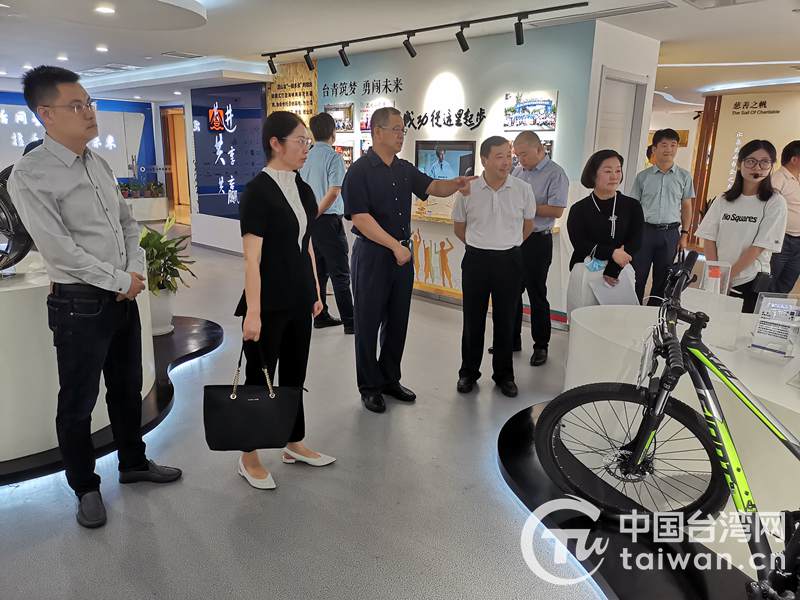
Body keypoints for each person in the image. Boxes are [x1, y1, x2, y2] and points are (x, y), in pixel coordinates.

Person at [8, 66, 181, 529]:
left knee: (127, 388)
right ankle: (85, 487)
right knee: (78, 402)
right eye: (76, 105)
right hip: (79, 305)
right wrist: (119, 279)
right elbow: (59, 250)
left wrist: (134, 271)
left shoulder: (97, 163)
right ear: (45, 114)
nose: (88, 112)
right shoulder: (30, 175)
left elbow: (127, 223)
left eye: (89, 103)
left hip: (122, 297)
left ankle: (133, 462)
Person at [342, 107, 475, 413]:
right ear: (377, 132)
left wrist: (457, 183)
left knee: (397, 321)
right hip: (373, 255)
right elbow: (360, 218)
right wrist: (394, 246)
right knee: (368, 324)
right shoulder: (359, 171)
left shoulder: (404, 169)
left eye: (403, 130)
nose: (401, 135)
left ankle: (390, 379)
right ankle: (369, 387)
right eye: (396, 129)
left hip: (401, 257)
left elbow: (433, 187)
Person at [235, 111, 336, 489]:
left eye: (308, 141)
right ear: (275, 143)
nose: (306, 148)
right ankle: (248, 455)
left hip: (298, 298)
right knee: (258, 379)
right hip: (267, 302)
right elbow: (252, 258)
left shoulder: (303, 188)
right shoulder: (257, 192)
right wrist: (254, 312)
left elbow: (305, 244)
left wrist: (315, 291)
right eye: (300, 141)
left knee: (295, 374)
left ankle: (294, 442)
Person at [452, 136, 535, 397]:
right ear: (484, 159)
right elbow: (459, 226)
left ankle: (504, 375)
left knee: (506, 320)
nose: (506, 162)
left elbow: (528, 225)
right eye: (499, 156)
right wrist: (480, 245)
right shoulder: (468, 189)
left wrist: (507, 244)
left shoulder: (522, 189)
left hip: (509, 260)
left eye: (509, 156)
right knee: (472, 320)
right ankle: (468, 373)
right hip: (476, 260)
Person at [696, 140, 787, 313]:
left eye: (764, 162)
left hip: (749, 279)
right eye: (751, 161)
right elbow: (709, 238)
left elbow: (759, 246)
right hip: (718, 278)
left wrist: (729, 276)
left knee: (740, 324)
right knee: (712, 321)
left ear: (771, 166)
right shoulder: (723, 200)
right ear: (739, 164)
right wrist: (716, 276)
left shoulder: (775, 202)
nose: (757, 167)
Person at [502, 130, 569, 367]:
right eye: (517, 155)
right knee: (511, 291)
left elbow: (556, 210)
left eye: (524, 154)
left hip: (538, 241)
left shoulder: (556, 173)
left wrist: (525, 206)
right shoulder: (518, 172)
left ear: (539, 149)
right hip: (515, 238)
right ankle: (512, 340)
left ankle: (541, 345)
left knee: (536, 294)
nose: (520, 160)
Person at [566, 150, 644, 317]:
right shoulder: (579, 209)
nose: (614, 176)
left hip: (620, 272)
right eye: (608, 171)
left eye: (618, 170)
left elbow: (636, 241)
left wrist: (613, 269)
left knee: (618, 322)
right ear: (593, 174)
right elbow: (580, 244)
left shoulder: (632, 206)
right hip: (585, 270)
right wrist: (612, 252)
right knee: (584, 320)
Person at [298, 112, 354, 334]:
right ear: (333, 132)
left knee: (319, 272)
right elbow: (333, 192)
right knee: (340, 274)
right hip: (328, 221)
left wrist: (310, 215)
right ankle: (351, 322)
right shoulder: (333, 157)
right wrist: (316, 213)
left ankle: (320, 316)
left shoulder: (306, 156)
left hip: (311, 223)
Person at [630, 128, 695, 304]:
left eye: (673, 145)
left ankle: (654, 313)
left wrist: (685, 234)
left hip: (670, 233)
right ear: (654, 148)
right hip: (644, 231)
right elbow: (633, 208)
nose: (669, 149)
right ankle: (633, 310)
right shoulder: (642, 177)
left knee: (663, 278)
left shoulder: (684, 176)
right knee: (637, 276)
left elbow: (686, 206)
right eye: (664, 145)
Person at [769, 140, 800, 293]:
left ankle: (774, 308)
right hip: (781, 240)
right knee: (770, 281)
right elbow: (771, 208)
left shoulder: (797, 179)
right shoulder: (778, 178)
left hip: (798, 242)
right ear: (794, 159)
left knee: (786, 283)